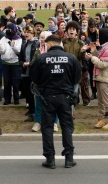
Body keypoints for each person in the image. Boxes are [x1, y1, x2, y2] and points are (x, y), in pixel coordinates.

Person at [30, 34, 82, 169]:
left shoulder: (41, 58)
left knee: (47, 128)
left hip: (48, 98)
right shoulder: (71, 58)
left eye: (46, 45)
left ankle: (50, 159)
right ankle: (69, 158)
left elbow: (34, 78)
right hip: (66, 97)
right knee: (67, 127)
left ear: (50, 44)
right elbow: (77, 79)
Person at [85, 27, 108, 129]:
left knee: (107, 100)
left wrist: (92, 58)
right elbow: (99, 58)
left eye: (100, 36)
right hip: (100, 77)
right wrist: (94, 52)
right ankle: (101, 119)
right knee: (101, 101)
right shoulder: (104, 47)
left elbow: (102, 64)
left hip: (105, 78)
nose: (98, 37)